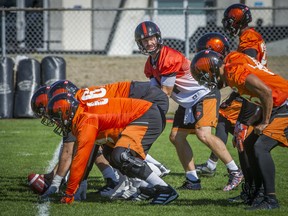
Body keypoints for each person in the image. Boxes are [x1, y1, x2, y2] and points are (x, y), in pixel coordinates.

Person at [134, 21, 243, 191]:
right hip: (188, 101)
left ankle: (235, 171)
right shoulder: (149, 65)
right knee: (176, 136)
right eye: (145, 40)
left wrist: (145, 113)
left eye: (151, 38)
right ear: (139, 44)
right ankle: (193, 180)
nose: (149, 43)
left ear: (158, 37)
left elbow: (165, 93)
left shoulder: (168, 57)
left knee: (203, 134)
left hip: (203, 94)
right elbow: (154, 93)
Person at [30, 80, 171, 200]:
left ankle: (151, 176)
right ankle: (134, 183)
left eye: (53, 110)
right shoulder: (79, 102)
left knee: (123, 152)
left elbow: (78, 151)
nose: (52, 115)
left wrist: (70, 184)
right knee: (110, 148)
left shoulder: (78, 111)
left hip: (146, 103)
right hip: (142, 99)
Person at [190, 49, 288, 210]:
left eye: (204, 76)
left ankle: (271, 199)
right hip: (278, 104)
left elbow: (266, 92)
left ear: (212, 69)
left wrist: (264, 121)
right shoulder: (232, 64)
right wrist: (251, 121)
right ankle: (257, 194)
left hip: (283, 105)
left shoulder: (233, 72)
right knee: (248, 145)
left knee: (260, 147)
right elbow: (258, 96)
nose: (206, 81)